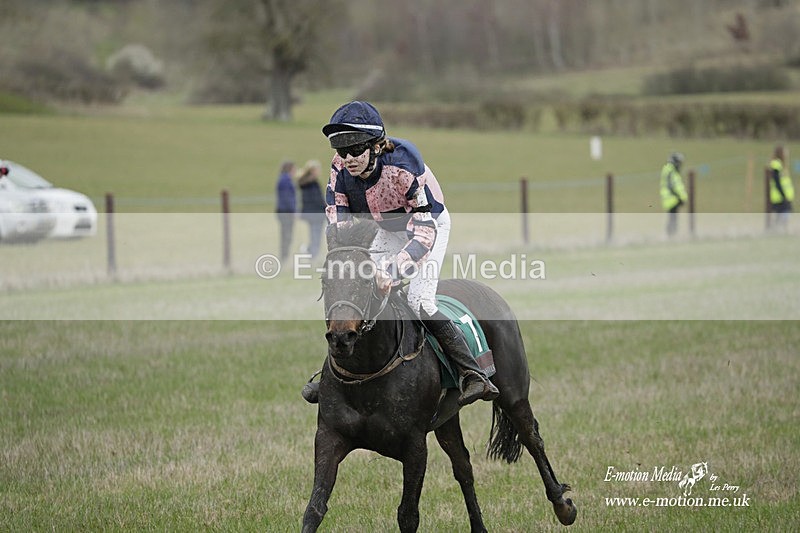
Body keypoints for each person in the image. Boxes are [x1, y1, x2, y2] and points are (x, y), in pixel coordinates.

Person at [302, 100, 499, 406]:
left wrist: (392, 272)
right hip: (386, 227)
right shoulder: (339, 167)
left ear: (375, 146)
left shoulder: (404, 164)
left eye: (355, 150)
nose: (348, 159)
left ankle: (472, 373)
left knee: (418, 300)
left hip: (427, 225)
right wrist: (348, 263)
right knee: (357, 292)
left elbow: (423, 232)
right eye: (341, 151)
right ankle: (332, 375)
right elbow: (337, 221)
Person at [296, 160, 327, 259]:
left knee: (315, 236)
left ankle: (311, 253)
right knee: (315, 236)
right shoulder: (310, 183)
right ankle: (311, 255)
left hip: (314, 214)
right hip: (315, 214)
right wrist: (325, 208)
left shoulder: (307, 183)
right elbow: (316, 199)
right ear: (312, 170)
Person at [660, 152, 688, 237]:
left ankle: (671, 235)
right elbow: (672, 186)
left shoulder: (669, 170)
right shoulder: (671, 171)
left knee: (672, 218)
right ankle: (671, 235)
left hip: (671, 199)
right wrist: (680, 197)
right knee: (673, 219)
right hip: (672, 199)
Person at [768, 145, 794, 230]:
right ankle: (776, 231)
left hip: (784, 196)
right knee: (782, 217)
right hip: (780, 197)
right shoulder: (776, 164)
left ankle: (777, 231)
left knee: (782, 217)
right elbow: (777, 182)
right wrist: (783, 195)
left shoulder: (782, 165)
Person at [275, 160, 296, 262]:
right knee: (287, 235)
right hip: (286, 212)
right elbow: (288, 198)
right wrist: (293, 211)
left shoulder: (283, 179)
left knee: (286, 235)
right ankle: (284, 257)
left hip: (284, 211)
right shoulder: (285, 180)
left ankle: (285, 256)